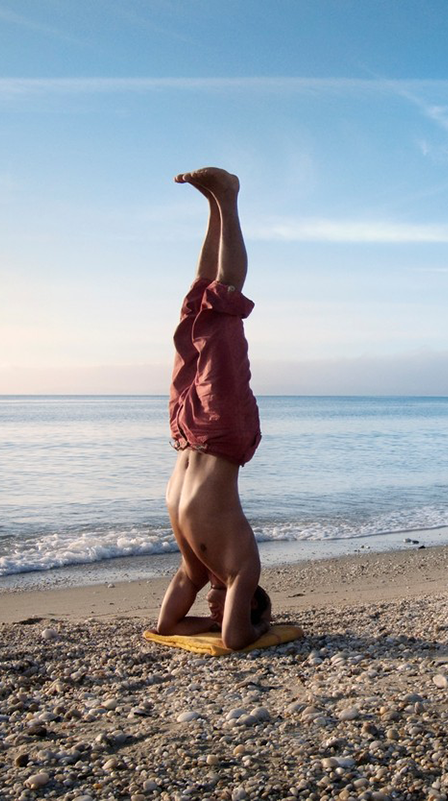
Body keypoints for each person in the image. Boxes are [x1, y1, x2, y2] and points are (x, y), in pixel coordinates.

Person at [154, 167, 271, 650]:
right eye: (232, 608)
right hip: (225, 431)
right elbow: (236, 640)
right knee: (222, 308)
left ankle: (211, 206)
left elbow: (167, 627)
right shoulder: (243, 565)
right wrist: (258, 627)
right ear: (250, 602)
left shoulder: (196, 570)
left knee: (193, 309)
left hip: (186, 432)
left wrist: (200, 624)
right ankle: (228, 199)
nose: (213, 610)